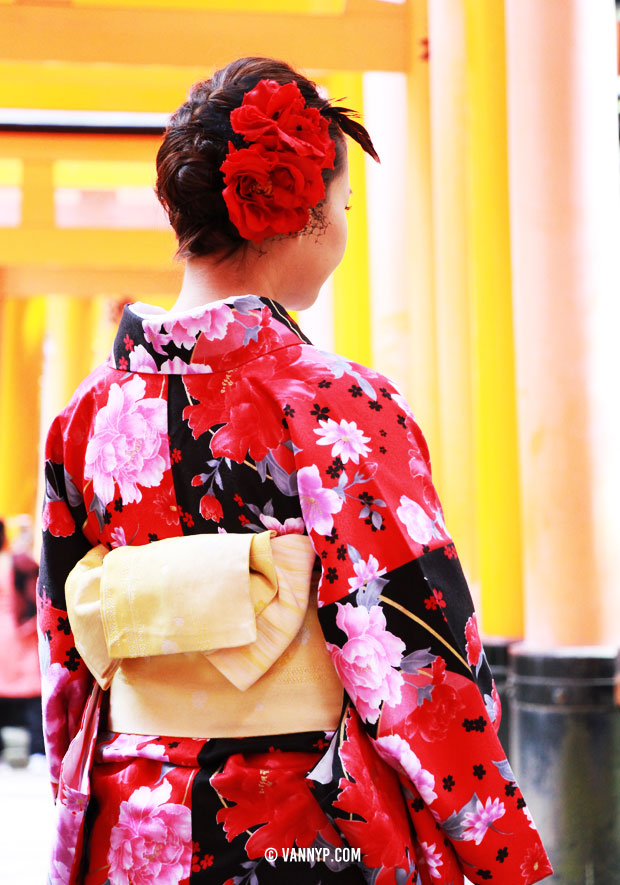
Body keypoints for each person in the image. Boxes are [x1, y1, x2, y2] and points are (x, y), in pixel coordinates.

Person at [37, 57, 552, 885]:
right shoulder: (334, 403)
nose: (343, 231)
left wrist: (75, 816)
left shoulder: (85, 416)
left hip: (127, 827)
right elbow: (417, 661)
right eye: (343, 208)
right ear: (304, 215)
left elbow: (70, 658)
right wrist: (504, 858)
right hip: (301, 831)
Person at [0, 516, 44, 763]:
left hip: (8, 634)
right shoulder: (15, 562)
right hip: (19, 633)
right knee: (33, 693)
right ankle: (38, 749)